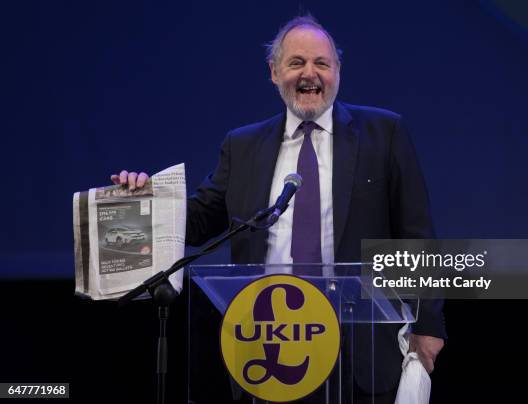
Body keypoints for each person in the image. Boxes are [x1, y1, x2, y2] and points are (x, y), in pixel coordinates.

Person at [113, 15, 445, 403]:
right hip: (267, 345)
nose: (310, 74)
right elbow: (200, 222)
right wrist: (143, 204)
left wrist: (428, 324)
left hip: (360, 347)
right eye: (296, 63)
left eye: (322, 63)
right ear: (274, 72)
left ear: (337, 71)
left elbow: (417, 236)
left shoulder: (384, 134)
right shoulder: (243, 146)